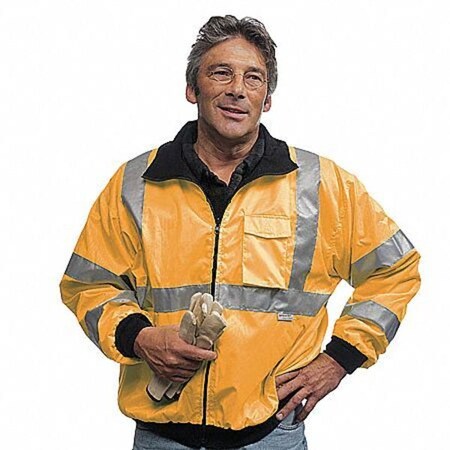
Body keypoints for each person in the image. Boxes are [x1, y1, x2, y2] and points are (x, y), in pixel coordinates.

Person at [60, 15, 421, 450]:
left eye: (254, 78)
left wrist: (339, 360)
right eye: (221, 73)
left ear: (267, 99)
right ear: (192, 88)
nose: (237, 89)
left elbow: (395, 269)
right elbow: (89, 283)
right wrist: (138, 336)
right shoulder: (136, 183)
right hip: (161, 434)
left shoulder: (322, 185)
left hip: (271, 434)